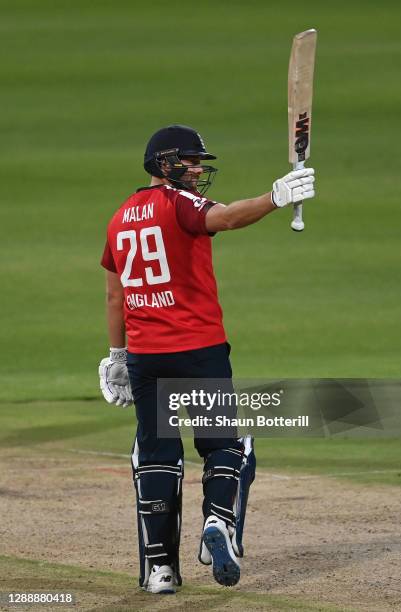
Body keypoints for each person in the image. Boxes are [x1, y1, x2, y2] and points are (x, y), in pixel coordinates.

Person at [98, 124, 315, 594]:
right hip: (198, 351)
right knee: (224, 445)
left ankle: (160, 571)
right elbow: (230, 217)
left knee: (156, 455)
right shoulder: (178, 203)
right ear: (163, 164)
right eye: (190, 161)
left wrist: (117, 354)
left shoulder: (119, 218)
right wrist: (275, 197)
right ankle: (217, 523)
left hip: (145, 356)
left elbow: (115, 295)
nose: (198, 169)